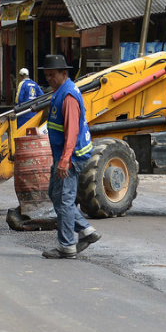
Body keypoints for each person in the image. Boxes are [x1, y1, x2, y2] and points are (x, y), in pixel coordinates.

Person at [39, 54, 100, 260]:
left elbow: (72, 130)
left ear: (63, 73)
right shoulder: (60, 91)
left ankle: (66, 246)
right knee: (56, 195)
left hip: (72, 156)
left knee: (64, 200)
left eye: (52, 75)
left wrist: (65, 160)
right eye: (46, 75)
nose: (49, 79)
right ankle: (86, 230)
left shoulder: (68, 96)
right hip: (65, 155)